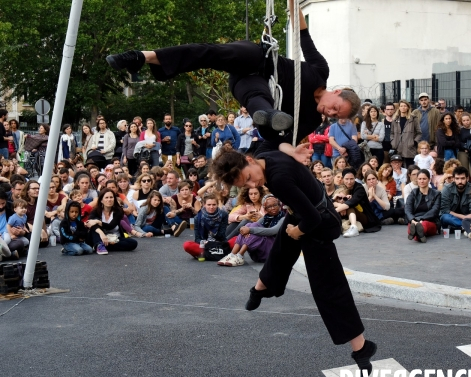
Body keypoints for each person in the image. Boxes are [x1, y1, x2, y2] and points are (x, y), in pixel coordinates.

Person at [106, 2, 361, 157]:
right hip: (258, 59)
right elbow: (303, 35)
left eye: (335, 116)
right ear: (338, 92)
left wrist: (290, 150)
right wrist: (292, 4)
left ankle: (267, 117)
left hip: (248, 83)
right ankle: (142, 56)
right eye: (335, 108)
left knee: (260, 102)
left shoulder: (311, 118)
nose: (329, 113)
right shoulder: (320, 71)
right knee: (214, 53)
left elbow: (283, 142)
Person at [211, 149, 377, 375]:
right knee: (280, 249)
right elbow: (273, 131)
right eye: (246, 185)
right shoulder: (266, 156)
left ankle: (361, 348)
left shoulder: (278, 180)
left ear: (249, 160)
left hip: (320, 224)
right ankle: (261, 288)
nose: (253, 184)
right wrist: (291, 149)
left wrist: (297, 231)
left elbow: (312, 218)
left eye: (250, 177)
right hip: (302, 212)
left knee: (328, 289)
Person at [218, 194, 285, 266]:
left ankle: (239, 256)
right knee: (249, 225)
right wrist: (246, 229)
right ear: (265, 209)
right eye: (269, 207)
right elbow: (252, 226)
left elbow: (273, 231)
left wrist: (249, 230)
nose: (272, 208)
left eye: (275, 205)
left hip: (273, 252)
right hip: (258, 255)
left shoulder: (283, 217)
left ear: (279, 205)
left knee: (253, 227)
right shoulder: (266, 217)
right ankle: (232, 255)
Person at [85, 188, 139, 254]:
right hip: (100, 236)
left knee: (133, 243)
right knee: (95, 229)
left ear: (114, 199)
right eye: (106, 197)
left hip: (114, 238)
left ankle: (104, 245)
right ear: (101, 200)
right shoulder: (96, 211)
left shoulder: (118, 211)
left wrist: (98, 222)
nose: (109, 200)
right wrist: (101, 233)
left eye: (111, 197)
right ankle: (100, 244)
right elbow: (89, 223)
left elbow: (110, 226)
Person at [183, 193, 229, 258]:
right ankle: (208, 253)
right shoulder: (197, 217)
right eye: (209, 205)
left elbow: (222, 235)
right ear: (204, 205)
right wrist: (204, 242)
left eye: (214, 205)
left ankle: (205, 254)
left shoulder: (224, 214)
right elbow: (197, 238)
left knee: (235, 241)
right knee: (187, 245)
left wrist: (213, 236)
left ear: (217, 205)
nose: (211, 207)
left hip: (218, 243)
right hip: (204, 244)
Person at [405, 169, 441, 243]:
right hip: (414, 220)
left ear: (429, 179)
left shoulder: (436, 194)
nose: (422, 181)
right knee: (412, 224)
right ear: (417, 180)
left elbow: (434, 211)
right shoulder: (413, 193)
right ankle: (419, 234)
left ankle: (416, 233)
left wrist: (420, 219)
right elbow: (407, 209)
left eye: (424, 179)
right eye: (420, 179)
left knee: (424, 224)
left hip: (430, 221)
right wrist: (412, 219)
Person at [439, 166, 471, 231]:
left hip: (467, 217)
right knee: (445, 217)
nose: (460, 181)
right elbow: (445, 210)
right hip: (452, 218)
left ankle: (460, 227)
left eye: (462, 178)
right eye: (457, 178)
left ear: (467, 178)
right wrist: (463, 217)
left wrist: (467, 217)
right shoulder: (447, 189)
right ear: (453, 179)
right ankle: (466, 226)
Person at [391, 100, 421, 167]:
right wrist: (393, 142)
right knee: (398, 167)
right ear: (399, 108)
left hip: (409, 147)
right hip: (397, 147)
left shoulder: (413, 119)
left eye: (405, 106)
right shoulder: (395, 119)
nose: (403, 107)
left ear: (408, 107)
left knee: (409, 167)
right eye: (401, 106)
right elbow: (392, 133)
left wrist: (414, 142)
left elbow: (419, 133)